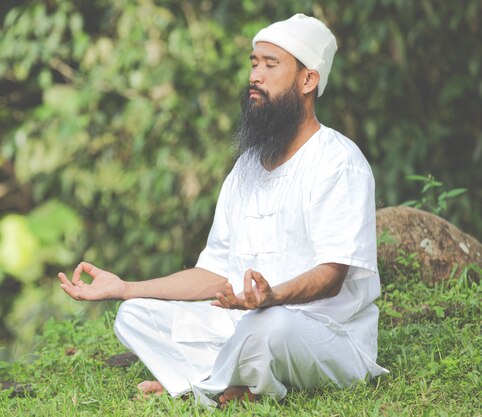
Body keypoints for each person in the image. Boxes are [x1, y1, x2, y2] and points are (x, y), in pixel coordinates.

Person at [58, 13, 388, 407]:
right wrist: (126, 288)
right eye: (253, 63)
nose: (255, 76)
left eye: (270, 65)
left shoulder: (338, 162)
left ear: (307, 80)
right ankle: (227, 381)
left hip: (321, 333)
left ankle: (205, 384)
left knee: (270, 328)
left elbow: (332, 277)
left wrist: (271, 297)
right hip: (244, 324)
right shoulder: (246, 168)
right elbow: (214, 273)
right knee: (134, 315)